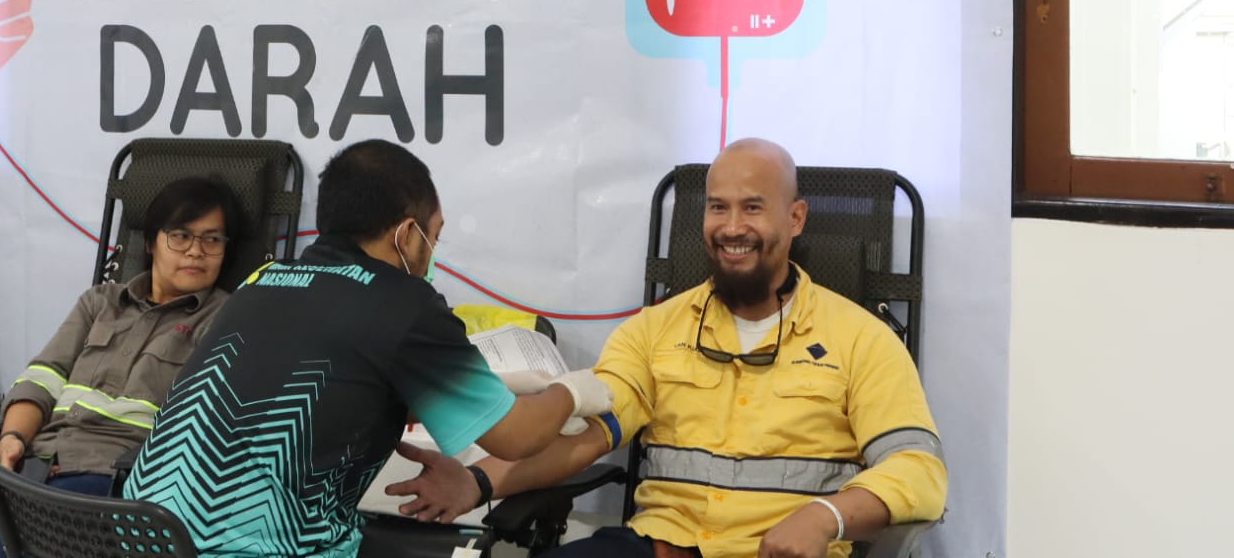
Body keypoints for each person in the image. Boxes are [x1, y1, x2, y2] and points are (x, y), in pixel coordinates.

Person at [388, 138, 947, 558]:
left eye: (753, 208)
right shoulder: (654, 330)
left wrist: (827, 516)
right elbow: (587, 437)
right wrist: (477, 481)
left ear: (795, 217)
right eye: (718, 207)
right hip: (659, 548)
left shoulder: (862, 339)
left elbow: (918, 469)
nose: (732, 227)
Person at [124, 139, 614, 558]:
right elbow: (518, 437)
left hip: (132, 537)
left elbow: (333, 388)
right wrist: (572, 393)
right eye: (434, 235)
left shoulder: (263, 281)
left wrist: (494, 388)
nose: (432, 251)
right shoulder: (404, 303)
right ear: (407, 234)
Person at [0, 176, 244, 558]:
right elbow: (42, 377)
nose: (196, 251)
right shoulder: (100, 302)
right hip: (34, 459)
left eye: (212, 239)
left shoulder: (228, 320)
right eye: (181, 236)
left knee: (4, 543)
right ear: (152, 242)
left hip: (115, 477)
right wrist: (12, 438)